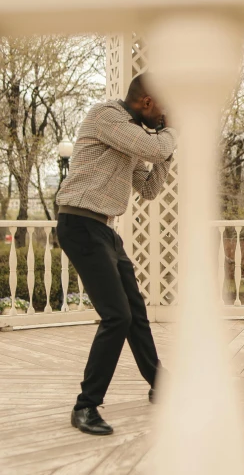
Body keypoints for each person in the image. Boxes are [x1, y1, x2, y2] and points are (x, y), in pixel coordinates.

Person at [56, 74, 176, 435]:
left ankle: (160, 383)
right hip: (79, 223)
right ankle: (85, 406)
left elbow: (150, 187)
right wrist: (172, 135)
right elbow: (155, 147)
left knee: (135, 311)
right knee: (117, 316)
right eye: (163, 109)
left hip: (104, 229)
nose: (165, 116)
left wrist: (167, 152)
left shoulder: (128, 140)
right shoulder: (106, 116)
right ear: (147, 101)